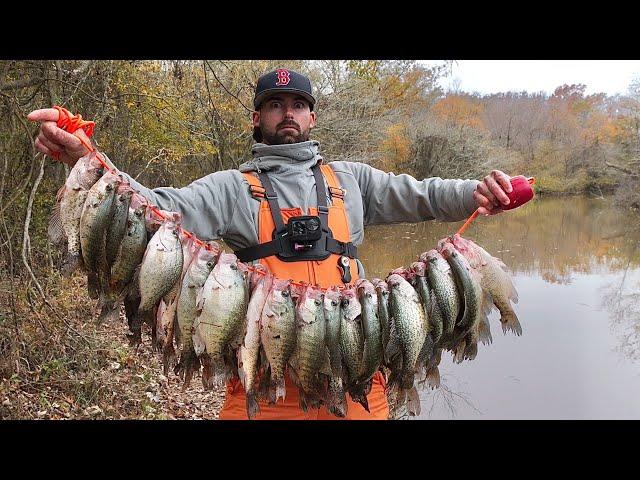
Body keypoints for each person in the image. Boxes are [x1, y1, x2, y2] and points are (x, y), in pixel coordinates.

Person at [28, 68, 513, 420]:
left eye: (297, 105)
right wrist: (88, 156)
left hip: (356, 374)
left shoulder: (352, 180)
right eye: (275, 105)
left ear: (312, 116)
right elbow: (154, 207)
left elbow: (423, 195)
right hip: (265, 380)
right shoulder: (230, 187)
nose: (288, 114)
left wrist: (479, 192)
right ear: (257, 118)